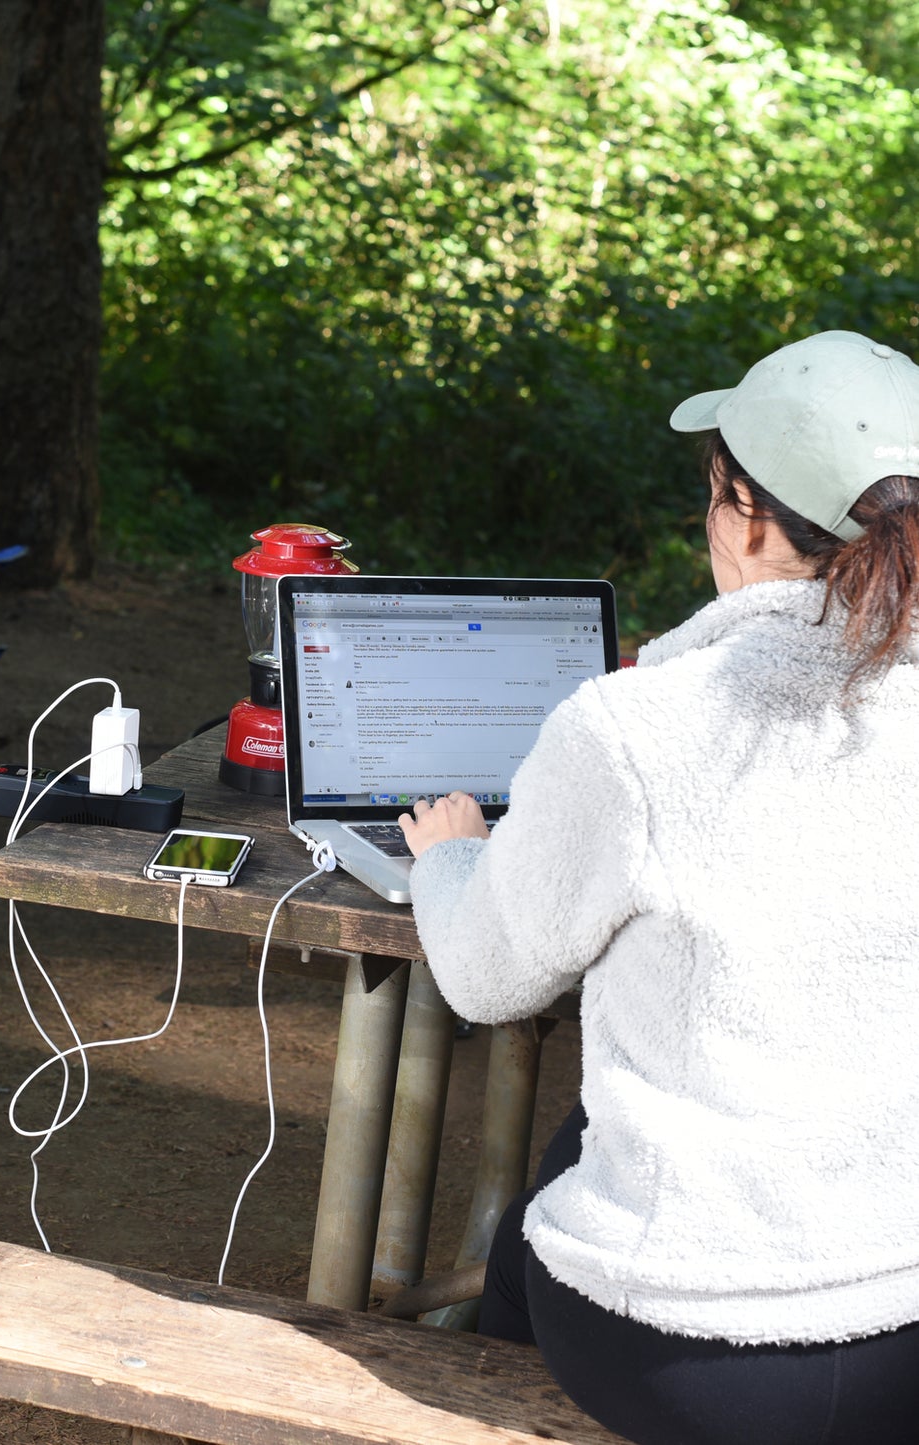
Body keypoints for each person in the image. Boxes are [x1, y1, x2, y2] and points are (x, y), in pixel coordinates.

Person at [399, 329, 919, 1445]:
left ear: (739, 514)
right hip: (903, 1317)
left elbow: (487, 977)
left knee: (535, 1223)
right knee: (583, 1136)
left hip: (690, 1351)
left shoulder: (636, 727)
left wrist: (449, 854)